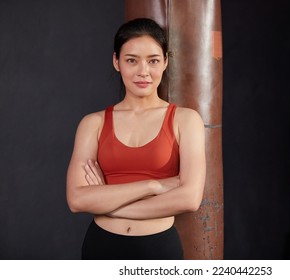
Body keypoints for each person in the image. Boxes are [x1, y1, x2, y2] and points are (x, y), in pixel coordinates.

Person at [66, 18, 206, 260]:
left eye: (153, 60)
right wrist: (153, 186)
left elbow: (190, 198)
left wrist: (108, 204)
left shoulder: (185, 120)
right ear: (116, 62)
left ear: (165, 62)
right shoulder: (93, 123)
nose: (143, 71)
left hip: (158, 249)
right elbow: (77, 199)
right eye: (132, 60)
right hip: (101, 247)